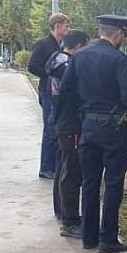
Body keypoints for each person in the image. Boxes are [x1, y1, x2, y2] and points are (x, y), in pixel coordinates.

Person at [55, 14, 127, 253]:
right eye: (124, 34)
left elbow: (64, 92)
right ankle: (108, 238)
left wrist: (67, 122)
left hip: (86, 129)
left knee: (89, 183)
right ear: (118, 33)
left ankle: (88, 237)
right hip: (112, 130)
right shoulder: (118, 59)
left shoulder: (79, 56)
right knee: (112, 184)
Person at [47, 29, 90, 238]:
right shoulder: (67, 66)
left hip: (63, 122)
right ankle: (69, 221)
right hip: (70, 123)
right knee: (71, 173)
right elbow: (77, 94)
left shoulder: (58, 61)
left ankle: (66, 213)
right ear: (80, 47)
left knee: (65, 169)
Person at [28, 13, 71, 181]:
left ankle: (54, 165)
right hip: (47, 91)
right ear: (57, 26)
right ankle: (46, 167)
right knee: (50, 128)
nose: (68, 29)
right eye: (66, 26)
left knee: (56, 127)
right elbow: (33, 66)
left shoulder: (62, 45)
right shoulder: (44, 44)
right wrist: (49, 73)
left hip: (58, 92)